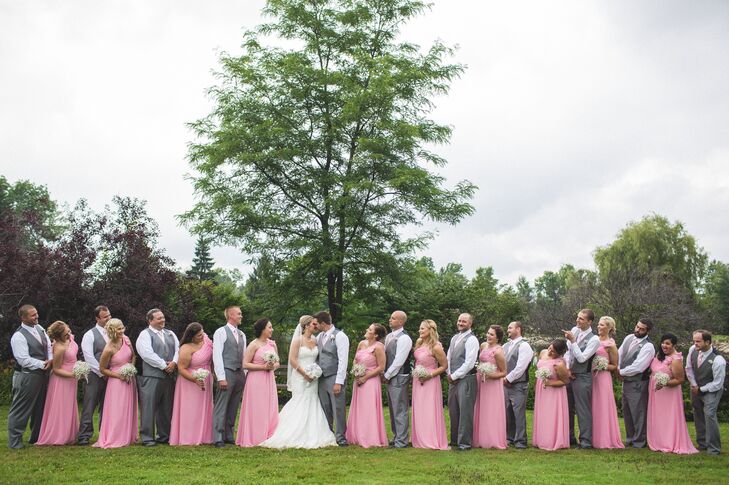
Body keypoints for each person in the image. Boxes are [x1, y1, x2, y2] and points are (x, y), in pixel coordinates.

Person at [261, 315, 337, 449]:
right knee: (300, 401)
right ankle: (293, 432)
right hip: (300, 376)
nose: (316, 326)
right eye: (314, 324)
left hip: (313, 378)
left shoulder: (315, 340)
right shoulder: (297, 341)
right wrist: (305, 374)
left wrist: (314, 372)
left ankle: (313, 432)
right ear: (306, 325)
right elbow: (292, 360)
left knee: (312, 401)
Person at [7, 304, 52, 449]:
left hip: (42, 375)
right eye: (33, 315)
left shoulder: (40, 329)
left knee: (40, 408)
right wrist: (42, 364)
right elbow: (23, 359)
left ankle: (36, 437)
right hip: (27, 376)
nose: (36, 316)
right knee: (21, 408)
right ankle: (15, 441)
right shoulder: (18, 336)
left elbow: (48, 347)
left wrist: (50, 359)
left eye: (36, 313)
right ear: (23, 317)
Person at [647, 333, 697, 454]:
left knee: (668, 418)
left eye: (668, 344)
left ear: (673, 345)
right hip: (656, 393)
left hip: (669, 394)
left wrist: (665, 383)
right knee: (658, 417)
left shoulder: (676, 360)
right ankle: (658, 441)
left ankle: (670, 442)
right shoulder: (659, 355)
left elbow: (680, 379)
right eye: (663, 343)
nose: (664, 345)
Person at [136, 308, 179, 446]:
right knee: (149, 407)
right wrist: (163, 365)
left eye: (163, 317)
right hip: (152, 376)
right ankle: (147, 437)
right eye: (159, 318)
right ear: (150, 320)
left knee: (166, 407)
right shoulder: (145, 334)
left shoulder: (170, 333)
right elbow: (146, 354)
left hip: (169, 376)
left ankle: (164, 436)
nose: (163, 320)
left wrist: (174, 362)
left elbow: (178, 350)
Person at [94, 319, 138, 448]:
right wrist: (119, 376)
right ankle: (115, 436)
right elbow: (102, 369)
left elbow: (134, 356)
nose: (122, 331)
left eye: (122, 328)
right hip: (116, 383)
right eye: (119, 329)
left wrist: (130, 368)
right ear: (112, 331)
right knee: (117, 410)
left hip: (129, 379)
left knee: (128, 407)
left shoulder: (127, 340)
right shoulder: (108, 349)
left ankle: (128, 435)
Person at [236, 318, 280, 447]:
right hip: (255, 380)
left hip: (269, 379)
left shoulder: (272, 344)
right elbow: (245, 364)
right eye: (270, 327)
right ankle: (255, 436)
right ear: (262, 329)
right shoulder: (253, 345)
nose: (272, 330)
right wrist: (263, 367)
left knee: (269, 406)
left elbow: (277, 362)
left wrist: (273, 366)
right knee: (257, 407)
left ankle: (269, 434)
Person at [36, 321, 79, 445]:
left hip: (71, 379)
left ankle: (71, 433)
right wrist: (74, 374)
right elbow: (56, 369)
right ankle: (59, 435)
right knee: (61, 406)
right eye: (66, 333)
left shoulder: (70, 339)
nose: (69, 334)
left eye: (69, 331)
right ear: (59, 335)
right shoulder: (59, 348)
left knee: (70, 404)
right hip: (62, 379)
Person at [170, 322, 214, 446]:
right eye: (199, 335)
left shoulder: (206, 340)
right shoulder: (186, 348)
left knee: (205, 407)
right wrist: (195, 379)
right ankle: (189, 437)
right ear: (192, 336)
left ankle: (206, 436)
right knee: (191, 409)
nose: (202, 336)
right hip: (189, 382)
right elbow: (181, 368)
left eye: (202, 333)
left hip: (206, 378)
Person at [345, 323, 388, 448]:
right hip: (358, 379)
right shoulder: (361, 344)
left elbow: (381, 367)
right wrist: (356, 370)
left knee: (368, 409)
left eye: (369, 329)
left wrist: (365, 377)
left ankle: (369, 437)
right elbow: (355, 359)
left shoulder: (379, 347)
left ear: (375, 335)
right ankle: (356, 435)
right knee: (358, 407)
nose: (366, 330)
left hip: (371, 381)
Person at [686, 329, 726, 455]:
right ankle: (702, 443)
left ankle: (714, 448)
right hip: (695, 387)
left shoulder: (718, 360)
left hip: (712, 390)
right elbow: (689, 368)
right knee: (697, 413)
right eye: (694, 341)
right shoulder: (693, 350)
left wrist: (701, 389)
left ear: (708, 342)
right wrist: (694, 384)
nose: (695, 344)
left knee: (709, 415)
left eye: (698, 341)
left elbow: (718, 383)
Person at [564, 308, 600, 449]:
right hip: (569, 374)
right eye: (577, 317)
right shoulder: (575, 330)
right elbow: (568, 353)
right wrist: (567, 368)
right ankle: (569, 437)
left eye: (581, 319)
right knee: (567, 407)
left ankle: (585, 441)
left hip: (583, 377)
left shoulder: (594, 339)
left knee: (582, 409)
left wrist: (573, 341)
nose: (577, 320)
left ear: (589, 322)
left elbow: (582, 358)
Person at [211, 306, 247, 447]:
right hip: (226, 371)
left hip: (239, 373)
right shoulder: (221, 332)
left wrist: (245, 375)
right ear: (230, 315)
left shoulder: (242, 334)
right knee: (222, 405)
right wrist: (221, 377)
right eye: (239, 314)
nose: (241, 316)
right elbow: (217, 355)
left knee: (233, 405)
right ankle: (218, 436)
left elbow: (244, 356)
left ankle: (229, 434)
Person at [618, 318, 655, 448]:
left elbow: (638, 367)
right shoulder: (628, 338)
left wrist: (620, 372)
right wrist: (617, 367)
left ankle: (639, 441)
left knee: (638, 412)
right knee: (627, 411)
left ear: (648, 331)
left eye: (642, 329)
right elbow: (619, 354)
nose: (638, 330)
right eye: (637, 327)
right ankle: (629, 438)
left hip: (638, 383)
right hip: (626, 381)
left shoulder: (648, 346)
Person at [411, 319, 448, 450]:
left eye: (422, 329)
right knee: (419, 408)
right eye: (420, 328)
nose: (419, 331)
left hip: (431, 381)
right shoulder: (419, 343)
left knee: (429, 409)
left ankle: (431, 439)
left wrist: (429, 375)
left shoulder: (436, 347)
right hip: (418, 380)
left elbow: (444, 366)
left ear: (430, 330)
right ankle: (419, 438)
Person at [314, 310, 350, 446]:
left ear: (323, 323)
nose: (315, 326)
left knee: (338, 408)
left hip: (334, 377)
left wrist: (339, 382)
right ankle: (328, 435)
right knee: (325, 407)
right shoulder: (319, 337)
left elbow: (343, 360)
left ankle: (340, 438)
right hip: (321, 378)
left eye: (316, 323)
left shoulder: (340, 336)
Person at [77, 305, 111, 445]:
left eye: (109, 315)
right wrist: (102, 372)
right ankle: (84, 435)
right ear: (97, 318)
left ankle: (104, 433)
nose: (108, 318)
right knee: (89, 405)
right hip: (94, 375)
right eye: (105, 317)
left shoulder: (114, 333)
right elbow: (89, 357)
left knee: (107, 406)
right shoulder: (89, 334)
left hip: (112, 376)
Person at [447, 313, 479, 451]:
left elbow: (470, 363)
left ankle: (464, 443)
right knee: (453, 410)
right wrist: (448, 372)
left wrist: (455, 375)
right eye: (459, 320)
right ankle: (454, 440)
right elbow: (448, 357)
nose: (460, 323)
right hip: (453, 379)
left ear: (470, 324)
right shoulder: (454, 338)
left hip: (466, 379)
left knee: (465, 412)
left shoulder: (472, 340)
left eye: (464, 321)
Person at [591, 316, 624, 449]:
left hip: (603, 378)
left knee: (602, 406)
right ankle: (590, 437)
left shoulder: (610, 344)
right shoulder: (593, 340)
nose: (599, 327)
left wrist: (602, 366)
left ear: (609, 328)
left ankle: (604, 439)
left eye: (602, 325)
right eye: (598, 324)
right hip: (591, 377)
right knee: (591, 406)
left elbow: (614, 366)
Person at [472, 325, 507, 449]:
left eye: (492, 334)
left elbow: (503, 372)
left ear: (498, 338)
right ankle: (479, 437)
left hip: (492, 383)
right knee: (481, 407)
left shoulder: (498, 351)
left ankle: (492, 439)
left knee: (491, 410)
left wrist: (491, 375)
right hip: (481, 381)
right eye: (488, 333)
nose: (488, 336)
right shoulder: (483, 346)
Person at [532, 339, 571, 451]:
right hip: (542, 390)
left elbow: (565, 382)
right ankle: (540, 439)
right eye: (550, 348)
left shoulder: (559, 364)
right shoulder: (543, 353)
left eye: (553, 351)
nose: (549, 352)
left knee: (551, 415)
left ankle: (552, 440)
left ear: (559, 353)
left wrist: (550, 383)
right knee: (542, 413)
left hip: (554, 393)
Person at [383, 310, 413, 449]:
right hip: (390, 375)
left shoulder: (404, 338)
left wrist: (387, 375)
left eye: (393, 318)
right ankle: (396, 437)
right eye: (391, 317)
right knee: (392, 408)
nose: (390, 320)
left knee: (400, 408)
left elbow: (399, 360)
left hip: (399, 376)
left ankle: (402, 440)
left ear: (401, 322)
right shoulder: (389, 336)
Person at [502, 320, 533, 449]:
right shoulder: (505, 346)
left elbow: (521, 366)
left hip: (519, 384)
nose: (508, 330)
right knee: (507, 412)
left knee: (518, 412)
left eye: (510, 328)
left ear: (518, 329)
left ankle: (521, 440)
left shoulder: (524, 346)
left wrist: (508, 378)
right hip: (505, 383)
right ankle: (510, 437)